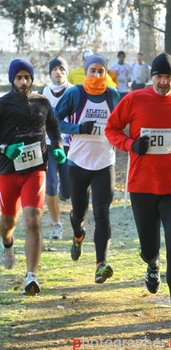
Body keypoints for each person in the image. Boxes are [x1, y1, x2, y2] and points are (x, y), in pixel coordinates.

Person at [105, 53, 171, 333]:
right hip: (142, 186)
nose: (163, 82)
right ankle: (151, 264)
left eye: (168, 77)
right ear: (151, 76)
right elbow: (111, 129)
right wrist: (131, 144)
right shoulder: (134, 100)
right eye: (159, 76)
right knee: (150, 247)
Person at [0, 58, 66, 295]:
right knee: (8, 222)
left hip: (36, 169)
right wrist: (5, 148)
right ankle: (7, 243)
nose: (24, 81)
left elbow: (54, 128)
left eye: (27, 77)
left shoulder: (42, 101)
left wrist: (57, 146)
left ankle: (31, 277)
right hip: (8, 170)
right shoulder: (3, 104)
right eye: (19, 77)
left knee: (33, 220)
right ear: (12, 80)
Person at [55, 54, 120, 284]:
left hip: (104, 163)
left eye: (100, 71)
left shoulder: (112, 95)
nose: (96, 75)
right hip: (78, 163)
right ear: (86, 71)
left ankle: (100, 264)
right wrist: (78, 127)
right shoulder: (75, 94)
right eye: (92, 70)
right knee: (79, 212)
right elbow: (55, 119)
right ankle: (78, 234)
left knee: (102, 213)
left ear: (105, 73)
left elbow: (122, 124)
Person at [40, 56, 73, 240]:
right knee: (50, 186)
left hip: (70, 145)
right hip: (49, 145)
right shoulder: (42, 93)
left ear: (66, 72)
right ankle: (57, 225)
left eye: (61, 69)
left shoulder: (74, 91)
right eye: (54, 69)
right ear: (50, 72)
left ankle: (65, 191)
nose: (58, 72)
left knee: (67, 192)